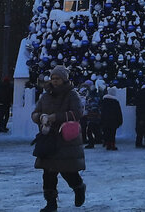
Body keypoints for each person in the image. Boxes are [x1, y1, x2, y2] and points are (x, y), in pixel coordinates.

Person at [31, 65, 86, 211]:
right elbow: (35, 112)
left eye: (58, 78)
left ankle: (79, 187)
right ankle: (51, 203)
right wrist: (40, 117)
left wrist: (57, 117)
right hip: (49, 139)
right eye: (53, 78)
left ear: (64, 79)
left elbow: (77, 113)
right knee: (48, 173)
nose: (54, 81)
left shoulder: (72, 94)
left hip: (66, 139)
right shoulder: (46, 95)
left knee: (68, 171)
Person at [81, 80, 102, 149]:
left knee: (89, 130)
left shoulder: (91, 98)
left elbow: (91, 106)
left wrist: (87, 110)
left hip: (92, 115)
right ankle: (97, 140)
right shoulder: (96, 97)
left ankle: (91, 143)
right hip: (94, 115)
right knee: (94, 129)